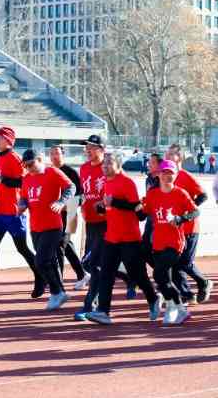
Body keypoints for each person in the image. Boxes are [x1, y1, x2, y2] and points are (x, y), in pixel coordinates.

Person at [83, 153, 160, 325]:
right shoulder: (106, 182)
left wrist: (114, 202)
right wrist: (102, 208)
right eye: (104, 163)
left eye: (109, 163)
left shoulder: (127, 182)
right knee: (105, 274)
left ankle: (153, 298)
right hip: (111, 237)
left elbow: (136, 208)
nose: (105, 166)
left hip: (129, 238)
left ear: (118, 165)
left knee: (137, 274)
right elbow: (111, 209)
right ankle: (103, 312)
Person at [0, 126, 42, 303]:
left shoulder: (15, 158)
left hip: (13, 213)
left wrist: (1, 180)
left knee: (22, 249)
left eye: (0, 138)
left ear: (9, 140)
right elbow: (3, 183)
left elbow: (23, 182)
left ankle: (41, 277)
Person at [142, 160, 200, 325]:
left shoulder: (180, 193)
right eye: (164, 172)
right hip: (158, 242)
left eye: (171, 173)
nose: (167, 176)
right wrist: (135, 207)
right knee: (164, 280)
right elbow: (143, 213)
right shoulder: (153, 194)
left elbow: (195, 212)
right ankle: (178, 309)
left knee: (158, 274)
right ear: (159, 174)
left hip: (175, 242)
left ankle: (175, 308)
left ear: (176, 175)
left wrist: (180, 219)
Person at [18, 149, 74, 311]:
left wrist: (61, 201)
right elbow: (24, 197)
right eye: (25, 166)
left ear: (40, 159)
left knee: (40, 261)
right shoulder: (27, 178)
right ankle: (60, 292)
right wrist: (22, 205)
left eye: (31, 164)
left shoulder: (52, 172)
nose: (28, 168)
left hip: (53, 226)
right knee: (50, 261)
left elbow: (71, 187)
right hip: (35, 227)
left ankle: (56, 292)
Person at [165, 144, 213, 303]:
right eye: (166, 154)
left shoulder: (186, 176)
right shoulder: (166, 177)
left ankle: (204, 282)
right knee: (175, 264)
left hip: (190, 227)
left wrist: (189, 209)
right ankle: (186, 294)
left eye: (171, 154)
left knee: (185, 262)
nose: (167, 156)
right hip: (174, 227)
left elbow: (203, 195)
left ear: (180, 157)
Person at [75, 134, 109, 319]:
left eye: (92, 147)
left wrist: (105, 206)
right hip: (90, 222)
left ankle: (90, 305)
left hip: (107, 222)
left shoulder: (108, 168)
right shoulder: (84, 168)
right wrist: (78, 202)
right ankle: (132, 278)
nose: (87, 150)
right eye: (86, 147)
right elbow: (83, 192)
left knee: (93, 264)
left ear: (101, 149)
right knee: (93, 264)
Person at [48, 145, 88, 289]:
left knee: (60, 245)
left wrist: (67, 205)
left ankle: (59, 281)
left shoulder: (71, 172)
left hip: (69, 214)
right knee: (65, 245)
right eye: (52, 154)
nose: (54, 156)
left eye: (57, 153)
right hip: (54, 215)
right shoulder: (50, 172)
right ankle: (82, 274)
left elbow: (81, 196)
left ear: (63, 155)